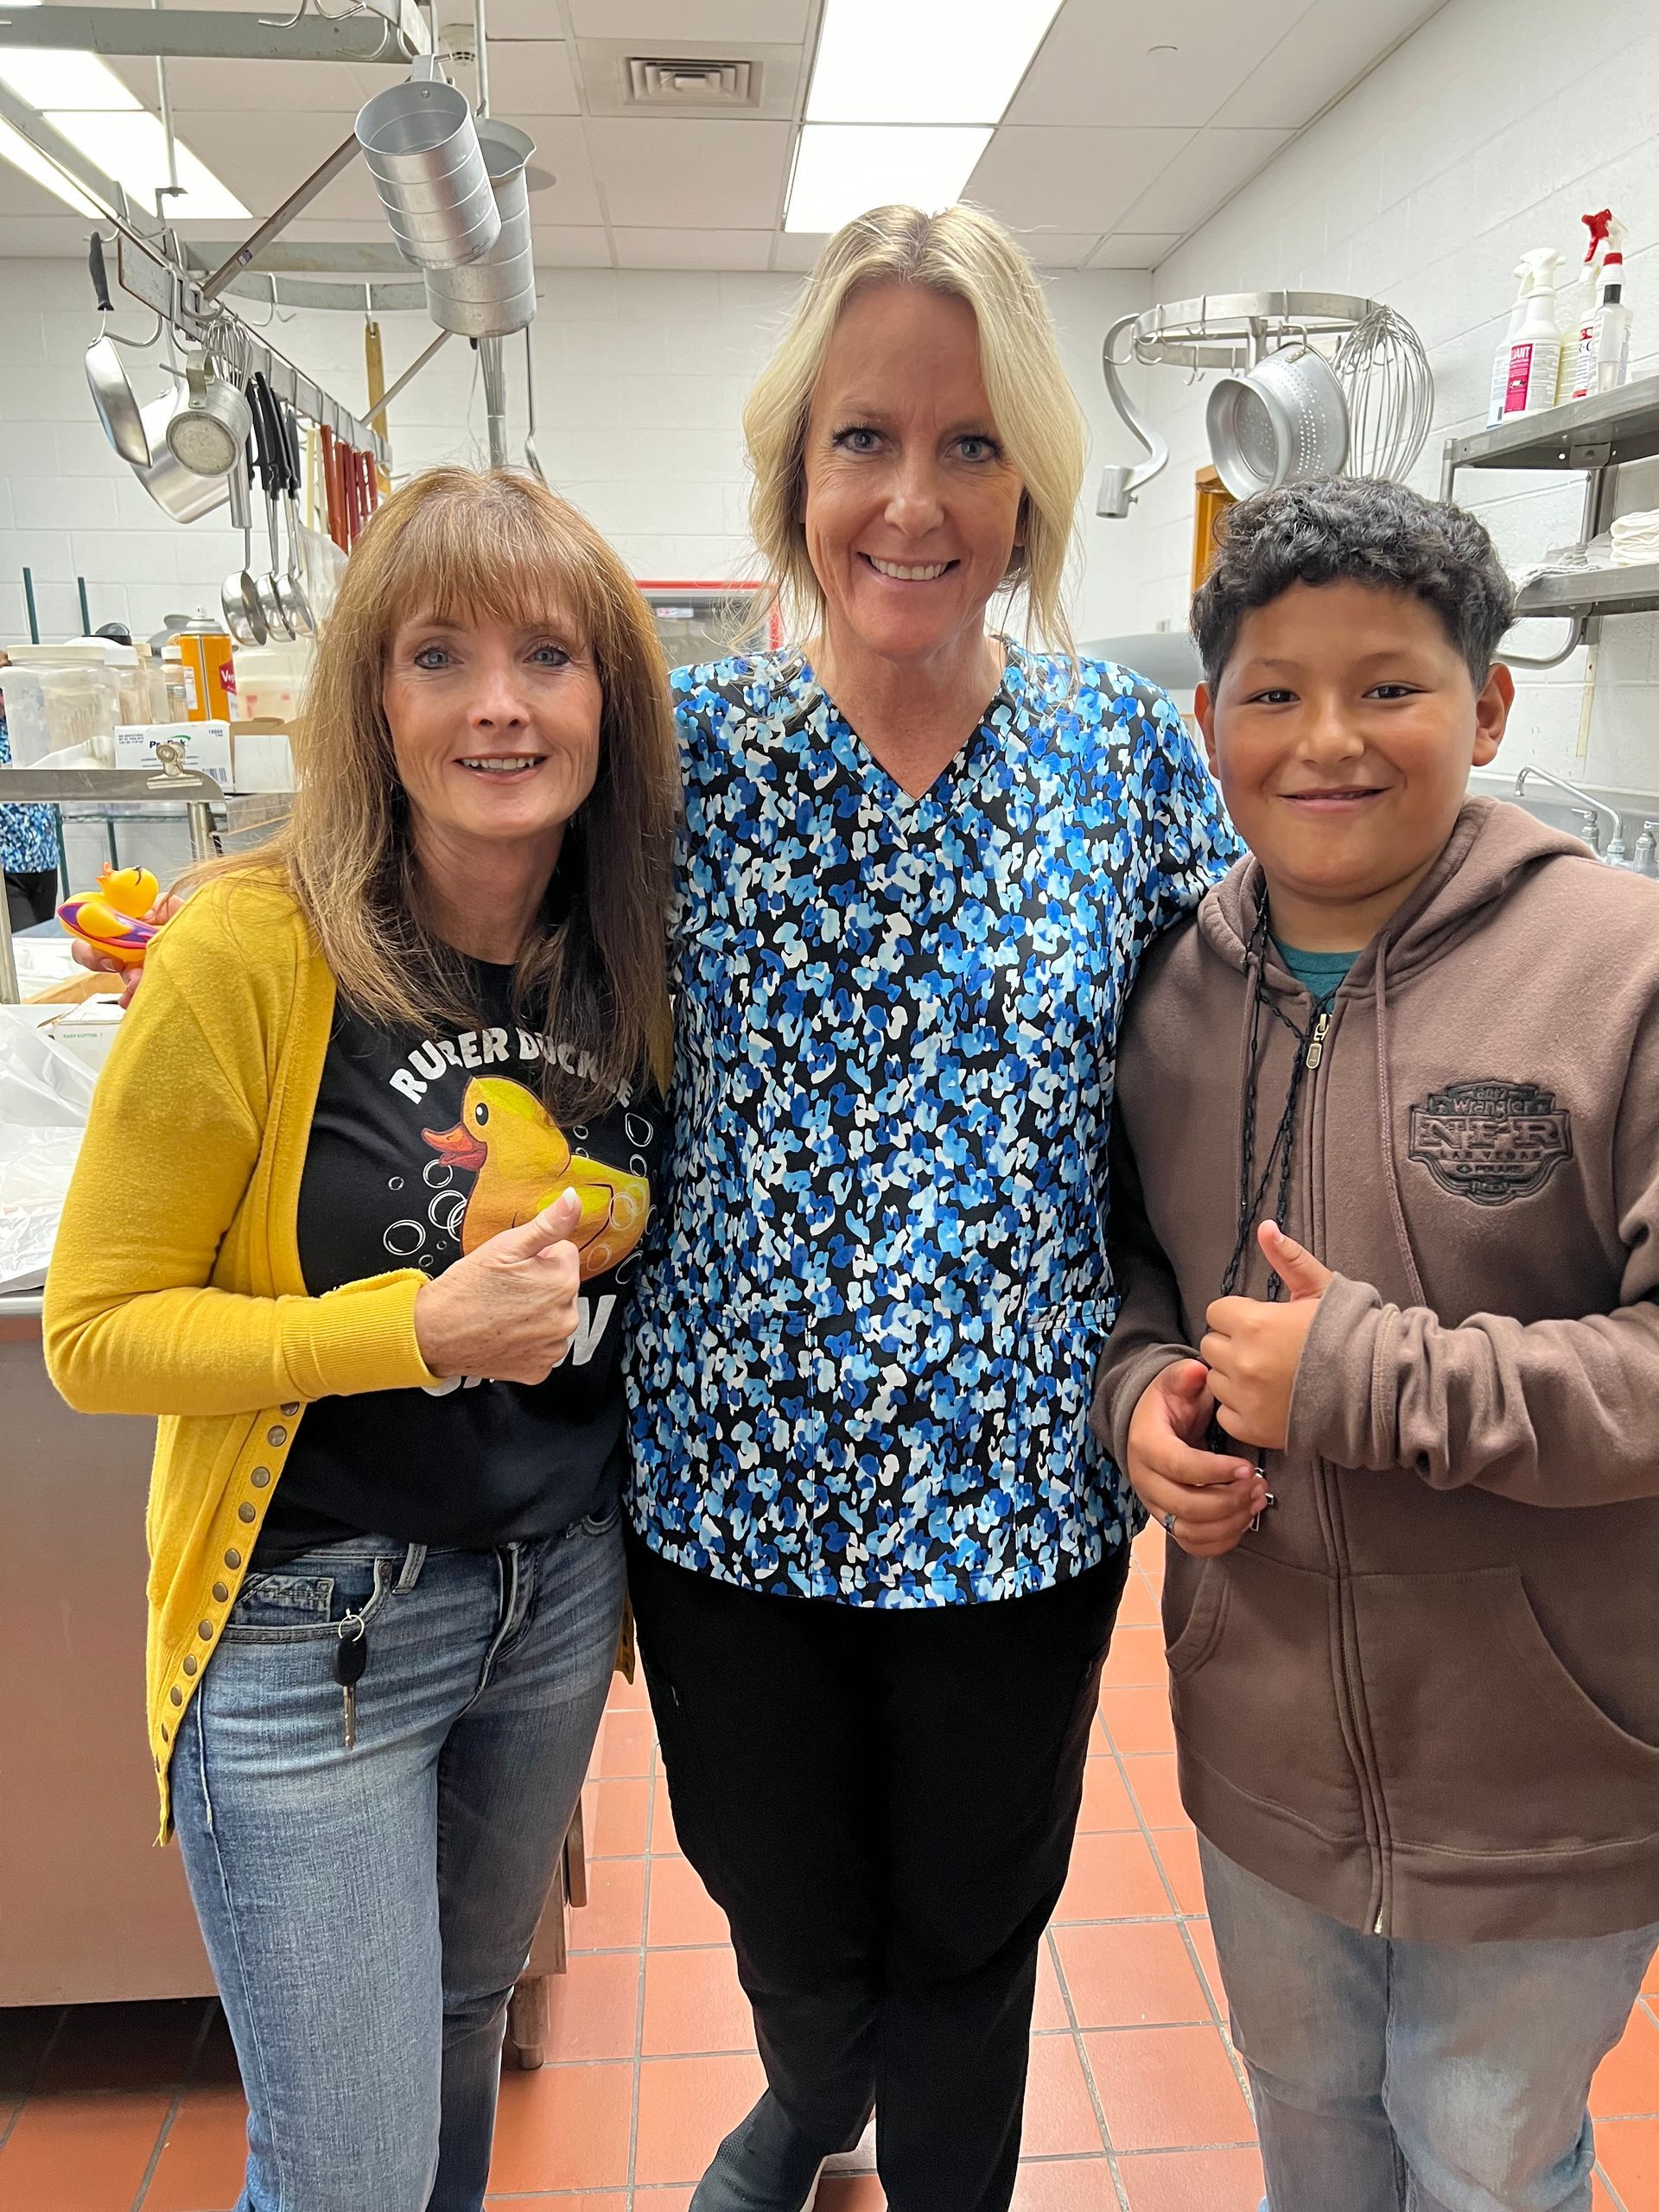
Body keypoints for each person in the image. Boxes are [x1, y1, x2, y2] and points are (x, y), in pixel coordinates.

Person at [623, 202, 1240, 2212]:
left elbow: (1221, 1093)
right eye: (863, 440)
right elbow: (493, 964)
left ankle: (912, 2151)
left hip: (1016, 1498)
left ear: (1034, 482)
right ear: (794, 473)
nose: (913, 497)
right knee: (792, 1931)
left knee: (971, 1954)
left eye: (970, 444)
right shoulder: (682, 758)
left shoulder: (1127, 757)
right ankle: (809, 2099)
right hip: (733, 1494)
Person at [43, 467, 679, 2212]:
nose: (498, 701)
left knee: (464, 2037)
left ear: (606, 699)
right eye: (438, 653)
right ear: (372, 700)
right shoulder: (252, 944)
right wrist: (409, 1324)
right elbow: (95, 1333)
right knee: (350, 2172)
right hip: (308, 1630)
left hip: (550, 1598)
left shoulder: (622, 954)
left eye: (548, 655)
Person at [1094, 477, 1659, 2212]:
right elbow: (1125, 1273)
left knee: (1488, 2162)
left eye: (1390, 685)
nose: (1326, 738)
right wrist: (1139, 1406)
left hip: (1547, 1769)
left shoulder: (1620, 970)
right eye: (1273, 692)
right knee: (1315, 2144)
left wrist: (1364, 1378)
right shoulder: (1170, 983)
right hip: (1264, 1753)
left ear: (1489, 704)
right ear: (1208, 722)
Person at [0, 652, 59, 931]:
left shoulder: (27, 727)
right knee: (22, 944)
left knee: (43, 939)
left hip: (44, 857)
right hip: (6, 865)